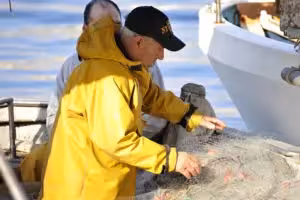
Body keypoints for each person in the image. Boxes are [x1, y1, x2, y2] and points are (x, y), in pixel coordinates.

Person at [40, 6, 226, 200]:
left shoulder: (124, 63)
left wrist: (190, 115)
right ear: (139, 42)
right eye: (160, 47)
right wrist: (173, 159)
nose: (162, 56)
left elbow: (152, 96)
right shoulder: (106, 77)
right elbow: (117, 142)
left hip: (106, 183)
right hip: (82, 190)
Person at [46, 0, 167, 141]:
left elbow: (157, 118)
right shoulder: (71, 66)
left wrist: (123, 134)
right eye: (100, 26)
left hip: (131, 145)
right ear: (85, 29)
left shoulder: (142, 60)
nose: (109, 33)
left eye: (115, 26)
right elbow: (53, 118)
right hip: (80, 148)